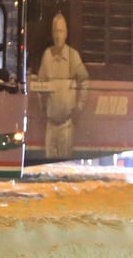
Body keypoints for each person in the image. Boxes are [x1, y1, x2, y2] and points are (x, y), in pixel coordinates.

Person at [35, 13, 89, 159]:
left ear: (66, 34)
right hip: (50, 125)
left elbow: (84, 81)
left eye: (61, 31)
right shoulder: (47, 55)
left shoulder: (73, 56)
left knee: (64, 165)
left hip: (66, 124)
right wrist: (42, 106)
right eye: (56, 31)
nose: (58, 35)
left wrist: (79, 106)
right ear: (52, 34)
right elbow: (40, 84)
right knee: (48, 167)